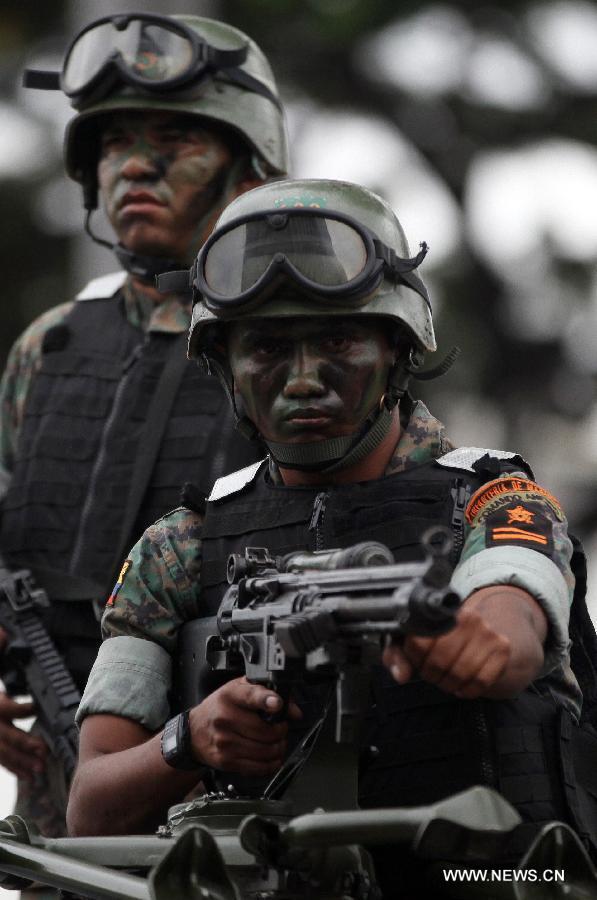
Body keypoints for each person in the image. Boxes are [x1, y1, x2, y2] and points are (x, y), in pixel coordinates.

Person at [68, 179, 597, 895]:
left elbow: (507, 628)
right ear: (225, 367)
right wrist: (189, 739)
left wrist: (464, 641)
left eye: (338, 340)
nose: (303, 378)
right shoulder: (177, 547)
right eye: (267, 347)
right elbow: (90, 809)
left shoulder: (495, 496)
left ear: (395, 351)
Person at [0, 12, 288, 843]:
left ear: (248, 168)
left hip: (250, 799)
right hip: (66, 819)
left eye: (174, 138)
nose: (135, 164)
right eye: (114, 142)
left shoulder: (303, 347)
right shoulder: (49, 347)